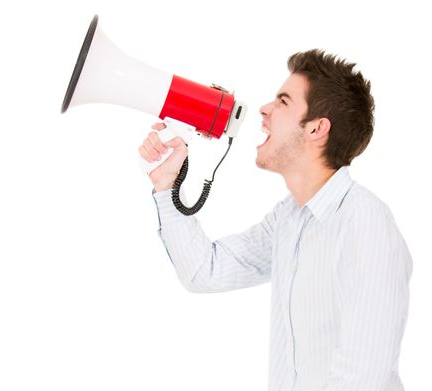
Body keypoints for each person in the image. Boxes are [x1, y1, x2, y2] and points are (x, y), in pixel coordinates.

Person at [138, 49, 412, 391]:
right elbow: (203, 271)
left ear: (316, 129)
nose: (264, 109)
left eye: (283, 101)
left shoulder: (364, 222)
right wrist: (168, 185)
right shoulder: (289, 219)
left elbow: (361, 377)